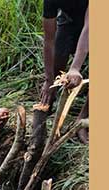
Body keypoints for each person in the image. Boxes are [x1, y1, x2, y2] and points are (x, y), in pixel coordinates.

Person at [40, 0, 89, 143]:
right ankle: (47, 103)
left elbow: (88, 28)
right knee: (59, 56)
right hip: (69, 19)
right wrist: (49, 79)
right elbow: (49, 41)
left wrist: (75, 68)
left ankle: (82, 119)